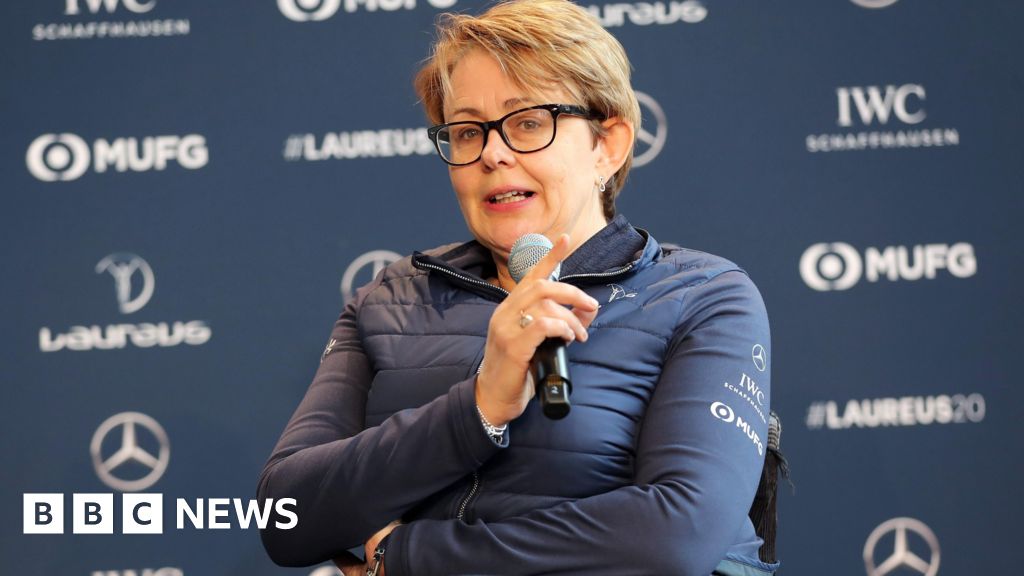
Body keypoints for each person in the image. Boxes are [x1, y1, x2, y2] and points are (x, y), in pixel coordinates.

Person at [258, 0, 776, 574]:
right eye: (466, 131)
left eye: (529, 121)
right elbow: (284, 516)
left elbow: (678, 536)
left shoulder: (701, 296)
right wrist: (481, 407)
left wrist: (409, 557)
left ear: (609, 144)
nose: (493, 153)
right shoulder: (391, 299)